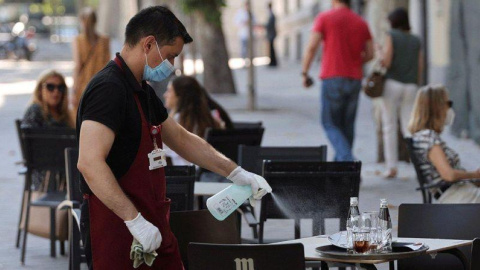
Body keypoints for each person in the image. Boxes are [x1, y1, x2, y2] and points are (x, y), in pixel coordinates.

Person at [76, 6, 271, 269]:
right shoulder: (108, 89)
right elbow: (89, 163)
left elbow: (181, 138)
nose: (172, 65)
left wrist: (236, 172)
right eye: (170, 56)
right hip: (116, 226)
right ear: (148, 44)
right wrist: (134, 221)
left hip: (152, 219)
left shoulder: (141, 89)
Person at [301, 0, 374, 161]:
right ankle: (343, 172)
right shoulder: (361, 22)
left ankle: (348, 161)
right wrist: (354, 61)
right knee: (347, 125)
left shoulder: (325, 18)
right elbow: (370, 53)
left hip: (332, 76)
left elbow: (312, 47)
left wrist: (305, 72)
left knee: (330, 123)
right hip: (354, 78)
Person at [409, 85, 480, 203]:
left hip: (460, 192)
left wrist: (474, 178)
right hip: (457, 196)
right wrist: (475, 174)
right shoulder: (428, 137)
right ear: (437, 107)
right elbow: (449, 175)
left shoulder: (423, 136)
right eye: (448, 104)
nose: (450, 108)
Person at [379, 8, 423, 178]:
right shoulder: (416, 39)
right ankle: (419, 165)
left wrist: (380, 53)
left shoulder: (392, 35)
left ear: (393, 22)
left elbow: (387, 62)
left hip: (393, 84)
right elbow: (420, 65)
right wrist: (415, 83)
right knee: (409, 126)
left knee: (389, 125)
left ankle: (391, 167)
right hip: (411, 86)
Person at [163, 75, 225, 165]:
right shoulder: (212, 120)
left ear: (179, 96)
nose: (165, 95)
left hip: (182, 174)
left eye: (169, 91)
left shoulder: (175, 123)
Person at [71, 7, 110, 111]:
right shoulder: (105, 40)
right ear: (95, 21)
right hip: (101, 86)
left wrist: (74, 91)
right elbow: (108, 66)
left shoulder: (78, 40)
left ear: (81, 21)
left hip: (83, 86)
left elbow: (78, 66)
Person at [265, 2, 277, 67]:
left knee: (272, 49)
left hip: (271, 34)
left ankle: (273, 62)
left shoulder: (272, 15)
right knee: (271, 49)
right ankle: (272, 62)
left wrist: (264, 26)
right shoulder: (270, 14)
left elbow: (270, 25)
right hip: (270, 34)